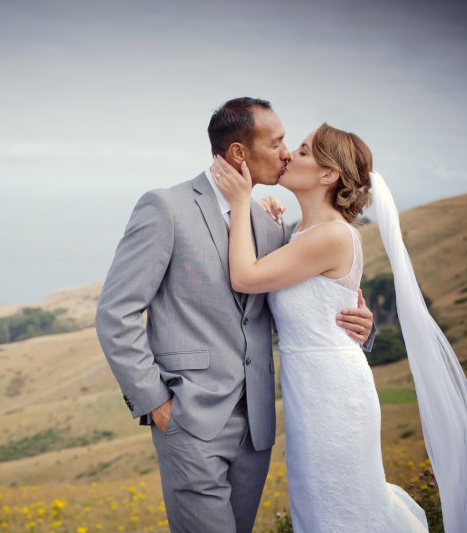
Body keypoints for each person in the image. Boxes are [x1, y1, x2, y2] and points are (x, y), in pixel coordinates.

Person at [95, 97, 375, 533]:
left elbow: (308, 303)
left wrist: (362, 325)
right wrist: (156, 404)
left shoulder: (272, 228)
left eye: (293, 145)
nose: (286, 153)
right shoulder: (166, 208)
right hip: (189, 418)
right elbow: (116, 314)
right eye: (278, 142)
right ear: (240, 153)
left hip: (259, 428)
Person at [211, 122, 467, 531]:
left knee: (341, 509)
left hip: (333, 396)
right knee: (319, 506)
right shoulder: (303, 233)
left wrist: (240, 202)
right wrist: (268, 222)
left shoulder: (332, 236)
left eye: (303, 151)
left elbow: (246, 278)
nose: (289, 154)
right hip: (309, 390)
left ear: (328, 175)